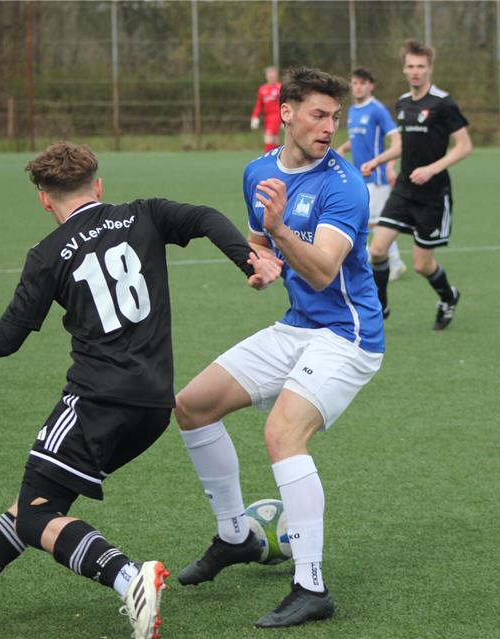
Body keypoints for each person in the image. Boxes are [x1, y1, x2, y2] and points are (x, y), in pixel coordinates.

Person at [0, 141, 280, 639]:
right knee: (37, 500)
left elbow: (3, 340)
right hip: (152, 407)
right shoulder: (144, 214)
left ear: (43, 199)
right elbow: (206, 216)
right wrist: (247, 259)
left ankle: (129, 578)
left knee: (37, 516)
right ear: (98, 186)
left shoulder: (47, 254)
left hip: (95, 401)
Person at [172, 67, 384, 628]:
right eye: (318, 114)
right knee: (191, 405)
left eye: (334, 117)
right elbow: (262, 246)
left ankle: (311, 585)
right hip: (297, 326)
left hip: (349, 335)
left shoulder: (345, 185)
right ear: (286, 113)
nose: (329, 127)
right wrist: (259, 265)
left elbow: (321, 271)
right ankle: (236, 535)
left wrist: (281, 234)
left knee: (282, 434)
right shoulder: (258, 171)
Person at [365, 39, 473, 330]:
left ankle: (448, 297)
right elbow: (403, 144)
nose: (416, 71)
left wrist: (431, 169)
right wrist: (381, 162)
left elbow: (464, 146)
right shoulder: (402, 103)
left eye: (421, 66)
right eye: (411, 66)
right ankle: (380, 307)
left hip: (433, 195)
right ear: (404, 69)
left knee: (422, 265)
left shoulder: (443, 103)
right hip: (403, 189)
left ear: (430, 69)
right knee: (376, 250)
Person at [336, 67, 407, 281]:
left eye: (362, 83)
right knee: (368, 220)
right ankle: (382, 258)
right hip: (360, 177)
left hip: (376, 178)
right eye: (355, 83)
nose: (358, 87)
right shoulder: (353, 111)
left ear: (370, 86)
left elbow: (396, 139)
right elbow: (358, 139)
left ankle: (393, 261)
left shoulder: (377, 109)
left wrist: (389, 165)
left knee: (374, 222)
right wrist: (344, 148)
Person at [251, 66, 282, 152]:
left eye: (273, 75)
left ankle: (268, 160)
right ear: (266, 76)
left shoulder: (280, 88)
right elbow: (259, 104)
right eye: (269, 75)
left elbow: (284, 103)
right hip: (267, 117)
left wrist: (284, 118)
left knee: (268, 137)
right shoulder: (262, 89)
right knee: (275, 139)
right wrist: (255, 117)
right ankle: (278, 158)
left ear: (277, 76)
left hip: (277, 116)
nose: (271, 77)